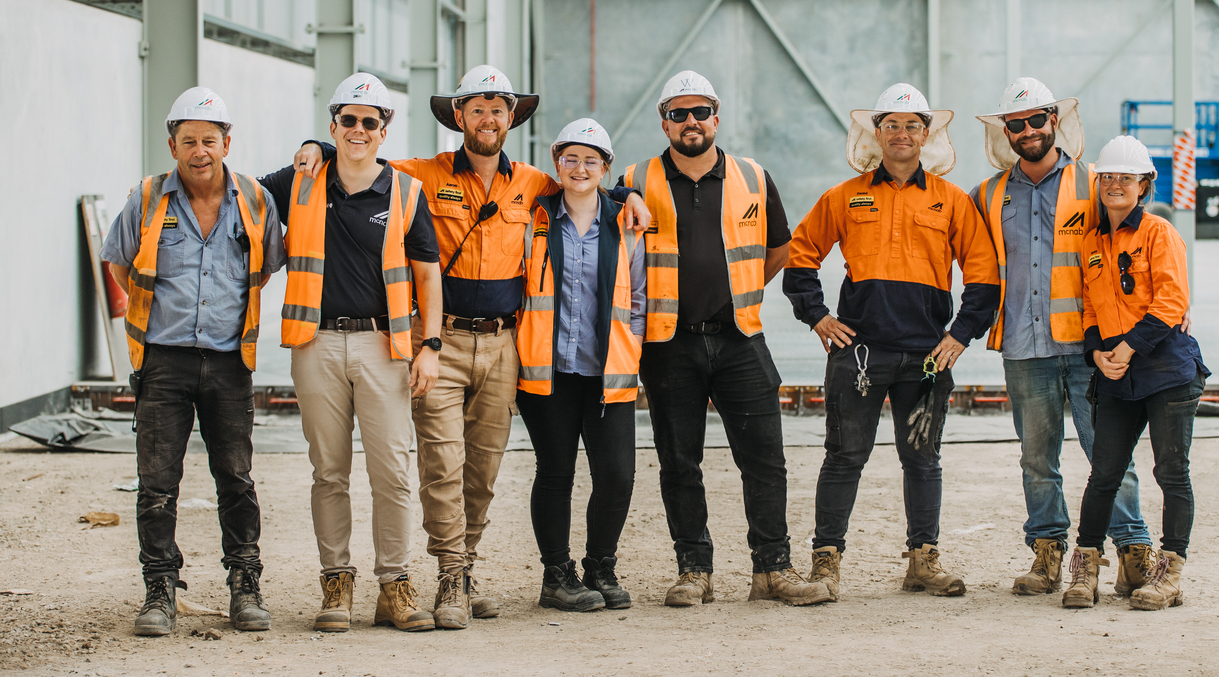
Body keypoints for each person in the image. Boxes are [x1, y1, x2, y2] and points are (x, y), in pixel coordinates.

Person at [291, 65, 650, 628]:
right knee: (442, 465)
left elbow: (586, 187)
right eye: (476, 108)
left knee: (482, 470)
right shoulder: (421, 174)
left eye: (497, 109)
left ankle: (467, 567)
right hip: (443, 341)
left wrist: (629, 194)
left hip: (504, 345)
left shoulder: (534, 183)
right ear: (458, 116)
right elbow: (361, 159)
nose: (487, 119)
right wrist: (320, 145)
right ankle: (450, 575)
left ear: (511, 118)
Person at [620, 70, 831, 608]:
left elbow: (778, 249)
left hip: (740, 337)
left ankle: (773, 570)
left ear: (716, 118)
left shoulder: (753, 177)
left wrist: (740, 291)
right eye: (678, 114)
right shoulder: (635, 179)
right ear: (664, 123)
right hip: (669, 343)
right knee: (679, 462)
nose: (690, 122)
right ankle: (694, 571)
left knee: (765, 460)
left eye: (700, 112)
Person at [784, 83, 1000, 600]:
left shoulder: (951, 200)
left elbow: (985, 274)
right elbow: (800, 255)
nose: (902, 134)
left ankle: (923, 561)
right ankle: (826, 562)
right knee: (844, 457)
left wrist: (960, 335)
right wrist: (818, 317)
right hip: (859, 354)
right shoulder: (845, 196)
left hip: (926, 359)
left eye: (912, 126)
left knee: (922, 459)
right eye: (892, 125)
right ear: (876, 134)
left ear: (927, 134)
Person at [260, 73, 443, 633]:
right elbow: (235, 193)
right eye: (348, 120)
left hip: (383, 347)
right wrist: (311, 147)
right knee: (329, 472)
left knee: (392, 471)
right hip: (315, 344)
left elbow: (428, 277)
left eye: (369, 121)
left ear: (385, 129)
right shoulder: (299, 179)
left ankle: (395, 585)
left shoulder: (407, 192)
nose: (358, 130)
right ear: (334, 124)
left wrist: (431, 346)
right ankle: (336, 583)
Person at [102, 87, 285, 637]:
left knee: (236, 477)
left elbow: (266, 265)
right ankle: (159, 589)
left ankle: (245, 585)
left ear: (226, 143)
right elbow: (120, 262)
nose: (199, 151)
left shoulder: (255, 200)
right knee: (157, 483)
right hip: (163, 362)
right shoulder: (147, 198)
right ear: (172, 146)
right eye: (188, 141)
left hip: (229, 362)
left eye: (209, 140)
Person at [972, 78, 1155, 598]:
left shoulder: (1095, 183)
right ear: (1005, 130)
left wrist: (1171, 308)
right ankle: (1047, 553)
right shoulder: (987, 195)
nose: (1028, 130)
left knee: (1110, 455)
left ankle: (1133, 552)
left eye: (1037, 119)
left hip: (1090, 349)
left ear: (1054, 120)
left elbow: (1139, 243)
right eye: (1016, 124)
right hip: (1024, 347)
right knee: (1037, 461)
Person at [1063, 135, 1209, 611]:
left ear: (1144, 185)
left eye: (1126, 178)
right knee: (1104, 472)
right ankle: (1085, 569)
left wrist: (1125, 348)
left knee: (1171, 472)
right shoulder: (1092, 242)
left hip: (1167, 370)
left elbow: (1172, 301)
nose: (1115, 185)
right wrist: (1097, 354)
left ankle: (1168, 574)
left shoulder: (1159, 233)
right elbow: (1090, 307)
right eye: (1107, 177)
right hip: (1116, 374)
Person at [516, 119, 646, 612]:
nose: (580, 168)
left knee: (617, 475)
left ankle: (600, 567)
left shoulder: (625, 222)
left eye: (591, 160)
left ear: (606, 168)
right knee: (555, 473)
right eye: (570, 158)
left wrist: (631, 347)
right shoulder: (535, 217)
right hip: (548, 372)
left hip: (607, 371)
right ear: (557, 163)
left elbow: (638, 296)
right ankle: (556, 576)